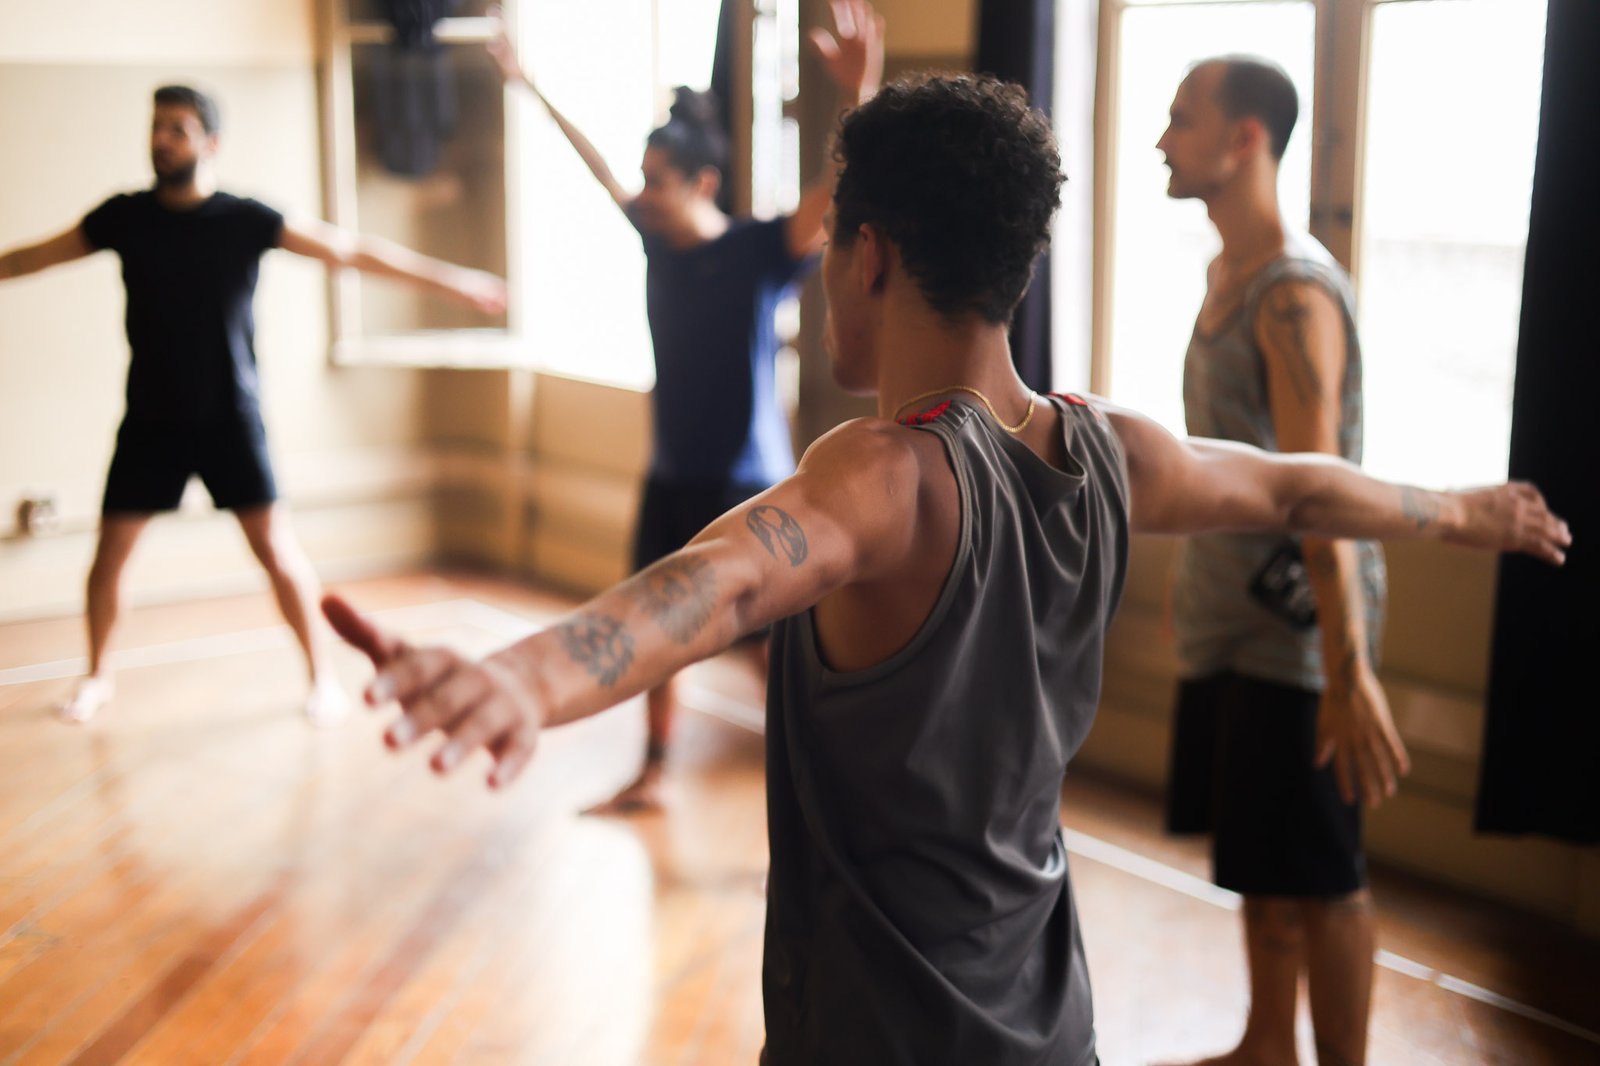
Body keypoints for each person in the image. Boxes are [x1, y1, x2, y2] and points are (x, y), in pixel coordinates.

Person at [322, 74, 1569, 1065]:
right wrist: (1458, 508)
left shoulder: (886, 471)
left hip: (883, 1036)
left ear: (866, 256)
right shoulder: (1112, 449)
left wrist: (526, 680)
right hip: (1045, 1018)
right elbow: (1296, 484)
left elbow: (715, 587)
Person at [0, 84, 508, 727]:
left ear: (210, 144)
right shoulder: (122, 217)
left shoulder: (245, 218)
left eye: (177, 130)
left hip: (229, 417)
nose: (161, 140)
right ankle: (98, 676)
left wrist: (453, 281)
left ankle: (322, 679)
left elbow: (348, 251)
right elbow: (28, 258)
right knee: (109, 558)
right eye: (156, 128)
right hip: (151, 419)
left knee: (277, 552)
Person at [485, 0, 884, 813]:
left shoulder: (760, 253)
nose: (641, 192)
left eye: (657, 181)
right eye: (642, 179)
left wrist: (862, 89)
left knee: (773, 654)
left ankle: (822, 791)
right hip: (669, 475)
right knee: (657, 631)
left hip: (744, 485)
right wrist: (527, 84)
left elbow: (840, 184)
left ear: (703, 182)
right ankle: (655, 769)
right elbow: (590, 160)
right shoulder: (652, 238)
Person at [1154, 56, 1401, 1066]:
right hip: (1234, 622)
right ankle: (1267, 1042)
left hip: (1301, 632)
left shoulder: (1293, 294)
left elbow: (1318, 493)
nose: (1163, 140)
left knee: (1323, 868)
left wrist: (1347, 674)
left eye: (1180, 120)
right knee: (1259, 852)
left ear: (1243, 138)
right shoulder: (1227, 275)